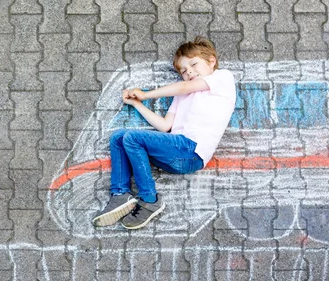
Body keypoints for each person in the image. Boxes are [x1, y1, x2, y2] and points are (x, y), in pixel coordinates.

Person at [93, 36, 236, 230]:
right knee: (119, 137)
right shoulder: (183, 95)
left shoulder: (222, 78)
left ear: (211, 61)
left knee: (133, 138)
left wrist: (145, 94)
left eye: (194, 64)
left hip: (191, 152)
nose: (190, 72)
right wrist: (137, 103)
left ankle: (150, 199)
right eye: (184, 71)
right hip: (174, 150)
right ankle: (120, 194)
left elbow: (185, 86)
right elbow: (164, 126)